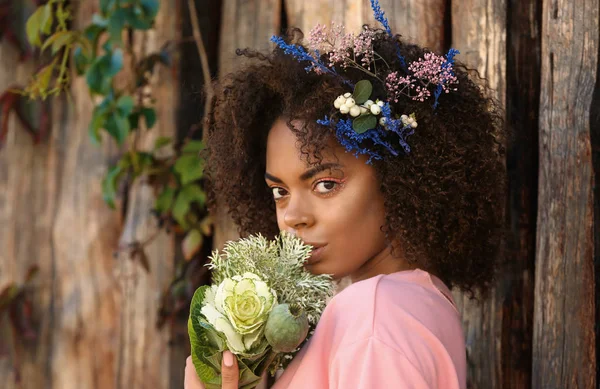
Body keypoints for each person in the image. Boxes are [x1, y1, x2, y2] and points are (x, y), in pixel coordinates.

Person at [184, 2, 506, 387]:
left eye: (325, 185)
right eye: (279, 191)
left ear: (397, 178)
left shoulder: (374, 318)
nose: (292, 216)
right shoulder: (415, 303)